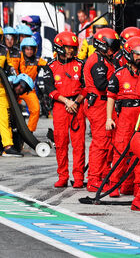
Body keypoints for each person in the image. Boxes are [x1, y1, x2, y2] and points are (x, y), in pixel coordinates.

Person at [106, 36, 140, 197]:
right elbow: (111, 97)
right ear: (129, 54)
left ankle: (137, 185)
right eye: (137, 54)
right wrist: (108, 118)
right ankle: (114, 184)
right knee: (120, 149)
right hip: (125, 114)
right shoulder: (118, 74)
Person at [41, 31, 86, 188]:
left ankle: (79, 177)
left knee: (79, 144)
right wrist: (66, 101)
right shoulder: (50, 66)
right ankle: (63, 176)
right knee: (60, 143)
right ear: (60, 47)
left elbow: (86, 87)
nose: (70, 51)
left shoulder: (81, 64)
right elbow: (49, 89)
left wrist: (76, 101)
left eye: (73, 48)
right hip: (60, 107)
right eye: (67, 48)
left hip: (77, 108)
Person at [82, 28, 120, 192]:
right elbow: (102, 85)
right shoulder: (97, 61)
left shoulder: (106, 59)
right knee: (100, 143)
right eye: (111, 46)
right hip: (99, 104)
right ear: (102, 45)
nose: (113, 50)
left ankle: (104, 175)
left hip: (105, 104)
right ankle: (93, 179)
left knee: (109, 142)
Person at [0, 73, 34, 157]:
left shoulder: (13, 92)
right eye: (21, 87)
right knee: (5, 120)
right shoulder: (6, 84)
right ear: (17, 82)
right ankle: (7, 147)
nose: (21, 90)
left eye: (24, 89)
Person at [17, 37, 47, 132]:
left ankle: (29, 131)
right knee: (12, 110)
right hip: (16, 89)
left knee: (36, 109)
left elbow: (49, 65)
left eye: (31, 49)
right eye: (27, 49)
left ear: (35, 50)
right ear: (23, 49)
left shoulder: (38, 60)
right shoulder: (18, 57)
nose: (29, 51)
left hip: (29, 90)